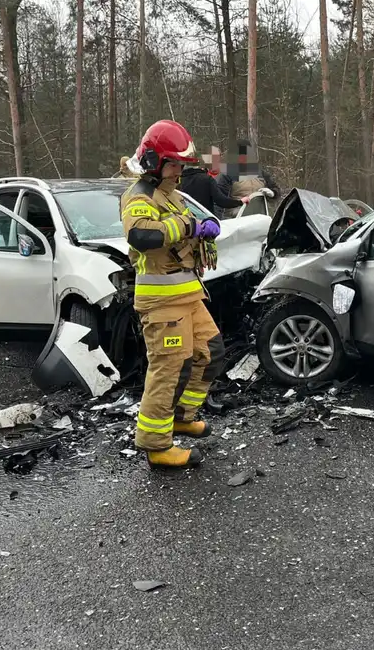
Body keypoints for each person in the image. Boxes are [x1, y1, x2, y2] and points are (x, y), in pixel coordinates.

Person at [121, 120, 225, 469]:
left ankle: (182, 415)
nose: (180, 170)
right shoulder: (139, 196)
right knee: (169, 369)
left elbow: (190, 226)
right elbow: (142, 237)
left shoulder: (173, 193)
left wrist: (205, 228)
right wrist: (189, 226)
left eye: (182, 165)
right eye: (175, 164)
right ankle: (156, 444)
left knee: (210, 351)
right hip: (162, 301)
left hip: (189, 294)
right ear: (154, 161)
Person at [180, 164, 248, 216]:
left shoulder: (177, 180)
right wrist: (240, 202)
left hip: (186, 219)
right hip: (206, 219)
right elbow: (221, 201)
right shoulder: (207, 179)